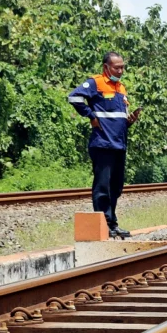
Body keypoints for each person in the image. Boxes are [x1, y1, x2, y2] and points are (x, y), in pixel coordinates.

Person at [68, 51, 141, 238]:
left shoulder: (121, 88)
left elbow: (117, 117)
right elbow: (74, 97)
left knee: (116, 187)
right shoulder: (96, 83)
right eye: (117, 67)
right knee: (102, 188)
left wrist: (129, 120)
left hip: (119, 144)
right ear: (106, 67)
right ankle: (104, 224)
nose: (121, 70)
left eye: (123, 67)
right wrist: (90, 116)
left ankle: (112, 223)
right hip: (102, 144)